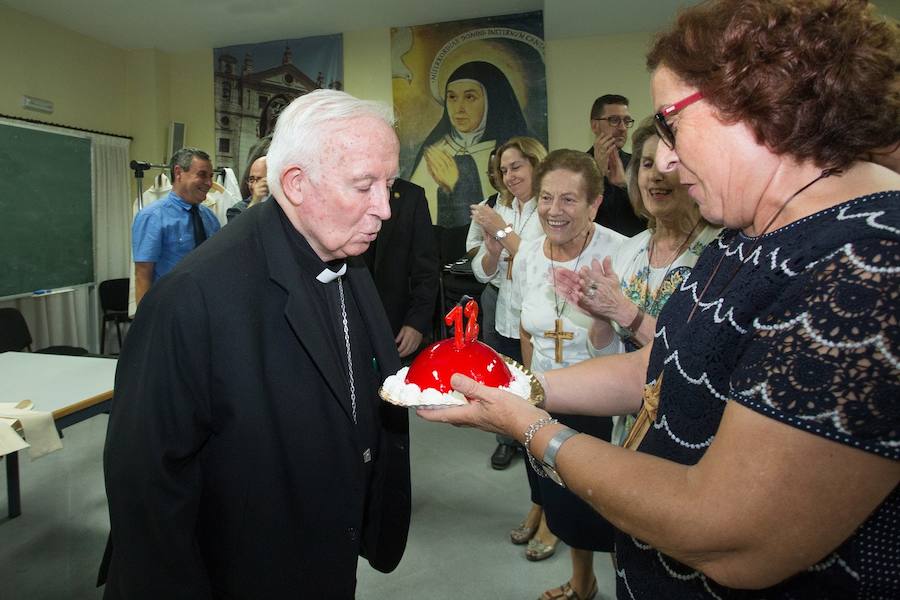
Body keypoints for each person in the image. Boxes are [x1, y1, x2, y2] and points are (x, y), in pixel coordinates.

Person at [420, 1, 899, 598]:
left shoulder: (870, 262)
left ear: (762, 102)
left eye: (671, 122)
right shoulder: (751, 231)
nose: (666, 160)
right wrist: (524, 387)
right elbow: (666, 362)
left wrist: (531, 427)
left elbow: (732, 536)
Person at [102, 90, 411, 599]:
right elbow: (148, 485)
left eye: (389, 185)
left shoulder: (343, 250)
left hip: (324, 548)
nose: (383, 208)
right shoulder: (190, 298)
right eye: (363, 186)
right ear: (295, 184)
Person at [558, 120, 720, 444]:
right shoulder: (628, 250)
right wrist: (601, 318)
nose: (655, 175)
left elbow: (701, 354)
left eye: (669, 163)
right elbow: (611, 359)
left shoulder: (721, 250)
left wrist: (625, 312)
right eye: (647, 164)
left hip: (694, 429)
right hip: (630, 429)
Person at [509, 149, 625, 599]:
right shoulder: (528, 255)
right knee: (560, 498)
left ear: (595, 203)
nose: (553, 211)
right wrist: (525, 387)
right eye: (546, 197)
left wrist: (599, 316)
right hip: (543, 398)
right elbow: (524, 324)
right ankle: (583, 583)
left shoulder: (619, 253)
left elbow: (635, 344)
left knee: (605, 506)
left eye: (569, 200)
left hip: (603, 403)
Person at [470, 137, 546, 472]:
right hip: (501, 304)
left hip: (536, 309)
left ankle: (536, 439)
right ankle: (506, 439)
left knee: (535, 383)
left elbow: (537, 263)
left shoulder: (548, 208)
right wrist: (494, 253)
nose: (510, 175)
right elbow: (482, 273)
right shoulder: (499, 207)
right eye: (504, 169)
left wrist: (501, 233)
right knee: (503, 376)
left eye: (517, 166)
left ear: (536, 164)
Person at [410, 61, 530, 227]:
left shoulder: (507, 154)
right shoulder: (434, 152)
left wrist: (456, 185)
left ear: (490, 101)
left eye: (469, 97)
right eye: (452, 97)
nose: (459, 108)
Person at [363, 178, 439, 361]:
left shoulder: (412, 196)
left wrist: (417, 323)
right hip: (352, 323)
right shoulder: (345, 190)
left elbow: (426, 267)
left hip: (397, 324)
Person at [132, 147, 220, 305]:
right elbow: (143, 275)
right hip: (169, 308)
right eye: (202, 175)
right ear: (178, 172)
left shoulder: (210, 218)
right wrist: (145, 324)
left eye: (210, 176)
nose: (209, 183)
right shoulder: (152, 217)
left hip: (207, 307)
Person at [588, 94, 646, 237]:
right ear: (594, 125)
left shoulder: (640, 165)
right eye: (614, 120)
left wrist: (624, 187)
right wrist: (598, 176)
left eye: (626, 121)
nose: (622, 128)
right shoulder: (577, 166)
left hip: (632, 248)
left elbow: (649, 219)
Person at [227, 135, 271, 222]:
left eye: (259, 180)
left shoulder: (282, 206)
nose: (254, 185)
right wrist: (255, 201)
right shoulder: (237, 210)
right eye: (251, 179)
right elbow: (240, 234)